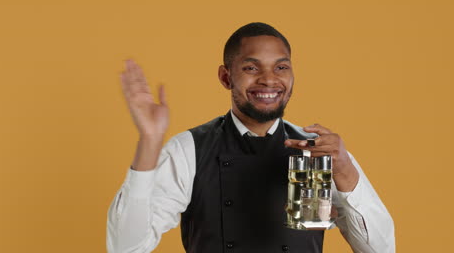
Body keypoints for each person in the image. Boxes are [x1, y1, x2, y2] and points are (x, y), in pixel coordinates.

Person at [106, 22, 395, 253]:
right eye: (251, 68)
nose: (269, 80)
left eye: (281, 67)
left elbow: (382, 249)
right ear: (226, 77)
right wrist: (149, 140)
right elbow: (125, 248)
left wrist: (346, 173)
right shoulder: (189, 150)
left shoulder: (319, 151)